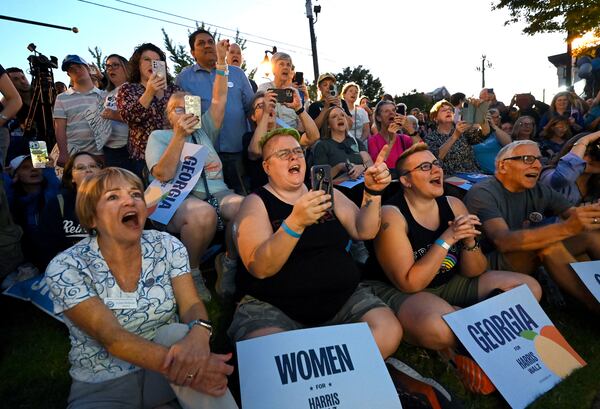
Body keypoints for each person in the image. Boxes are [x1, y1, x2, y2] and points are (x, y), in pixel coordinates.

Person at [45, 168, 238, 409]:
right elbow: (112, 338)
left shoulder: (166, 245)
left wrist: (199, 337)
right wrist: (192, 365)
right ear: (91, 217)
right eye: (113, 197)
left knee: (177, 333)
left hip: (171, 367)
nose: (130, 200)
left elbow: (191, 303)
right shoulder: (67, 266)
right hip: (104, 379)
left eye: (136, 194)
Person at [368, 143, 541, 394]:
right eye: (425, 167)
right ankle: (466, 332)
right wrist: (447, 238)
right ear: (405, 180)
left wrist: (470, 242)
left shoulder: (453, 203)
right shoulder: (392, 214)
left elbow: (474, 271)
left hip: (450, 282)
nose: (435, 170)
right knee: (439, 328)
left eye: (436, 164)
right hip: (408, 292)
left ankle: (464, 328)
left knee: (529, 289)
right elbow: (410, 283)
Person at [229, 128, 403, 359]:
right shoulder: (256, 202)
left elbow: (364, 230)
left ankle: (326, 369)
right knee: (266, 353)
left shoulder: (325, 192)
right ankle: (340, 362)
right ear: (267, 167)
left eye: (297, 151)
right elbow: (259, 267)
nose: (293, 157)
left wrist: (372, 191)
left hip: (341, 297)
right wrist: (295, 223)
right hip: (275, 305)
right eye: (283, 153)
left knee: (388, 332)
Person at [146, 40, 243, 301]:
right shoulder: (160, 137)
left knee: (246, 207)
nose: (186, 111)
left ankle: (229, 263)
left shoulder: (205, 130)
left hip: (218, 192)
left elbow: (219, 98)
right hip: (179, 201)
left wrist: (221, 64)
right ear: (168, 115)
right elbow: (163, 175)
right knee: (203, 214)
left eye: (190, 106)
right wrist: (179, 136)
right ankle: (191, 272)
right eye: (178, 108)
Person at [465, 140, 600, 313]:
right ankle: (593, 304)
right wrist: (567, 228)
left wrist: (594, 215)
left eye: (538, 159)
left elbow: (575, 216)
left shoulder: (539, 190)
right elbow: (502, 241)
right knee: (547, 243)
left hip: (520, 255)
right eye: (528, 159)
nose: (537, 165)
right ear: (503, 166)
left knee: (592, 235)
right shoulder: (483, 192)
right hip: (485, 264)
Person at [177, 30, 254, 194]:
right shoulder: (183, 79)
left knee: (243, 198)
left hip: (238, 153)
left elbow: (251, 108)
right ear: (192, 53)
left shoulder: (237, 73)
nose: (207, 45)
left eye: (210, 42)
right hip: (205, 154)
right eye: (201, 43)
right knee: (212, 202)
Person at [117, 43, 179, 177]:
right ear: (137, 64)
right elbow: (129, 117)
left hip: (174, 153)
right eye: (147, 60)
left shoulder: (174, 89)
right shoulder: (128, 89)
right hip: (143, 159)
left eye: (156, 61)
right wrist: (150, 92)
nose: (152, 64)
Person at [36, 152, 102, 267]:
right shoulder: (58, 204)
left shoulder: (116, 202)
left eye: (93, 166)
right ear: (71, 177)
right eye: (81, 167)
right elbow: (45, 246)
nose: (88, 170)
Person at [244, 91, 319, 191]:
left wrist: (299, 108)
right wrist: (266, 113)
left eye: (271, 105)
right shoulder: (249, 138)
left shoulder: (287, 134)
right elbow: (256, 151)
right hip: (269, 196)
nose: (268, 107)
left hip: (302, 191)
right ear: (253, 116)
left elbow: (313, 137)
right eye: (261, 105)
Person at [3, 154, 60, 269]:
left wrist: (49, 171)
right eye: (25, 167)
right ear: (16, 175)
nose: (33, 169)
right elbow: (4, 202)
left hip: (56, 258)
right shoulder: (14, 202)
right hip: (24, 262)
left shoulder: (51, 195)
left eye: (37, 166)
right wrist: (6, 179)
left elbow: (54, 194)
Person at [53, 55, 107, 167]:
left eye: (79, 66)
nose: (76, 70)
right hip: (73, 156)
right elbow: (60, 128)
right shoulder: (62, 98)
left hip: (99, 156)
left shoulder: (104, 96)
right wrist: (63, 153)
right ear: (68, 74)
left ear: (87, 68)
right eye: (71, 69)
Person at [539, 131, 600, 206]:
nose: (590, 159)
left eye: (595, 155)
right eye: (585, 153)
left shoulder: (596, 184)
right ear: (570, 152)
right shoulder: (548, 173)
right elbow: (564, 177)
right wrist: (584, 141)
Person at [424, 100, 478, 175]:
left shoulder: (463, 131)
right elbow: (435, 158)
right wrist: (455, 136)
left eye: (450, 110)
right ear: (435, 118)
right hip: (450, 179)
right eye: (443, 110)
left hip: (473, 174)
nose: (448, 111)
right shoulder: (430, 138)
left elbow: (483, 135)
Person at [99, 54, 132, 171]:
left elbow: (140, 116)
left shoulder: (133, 89)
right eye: (108, 66)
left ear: (126, 68)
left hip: (127, 150)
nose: (111, 68)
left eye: (115, 65)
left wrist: (114, 115)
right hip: (109, 149)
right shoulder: (108, 93)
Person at [368, 100, 414, 170]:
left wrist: (410, 129)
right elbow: (377, 166)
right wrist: (391, 141)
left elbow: (423, 151)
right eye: (386, 111)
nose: (391, 113)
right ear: (378, 118)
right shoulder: (373, 141)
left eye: (393, 110)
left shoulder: (404, 138)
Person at [473, 108, 512, 173]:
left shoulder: (499, 133)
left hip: (498, 174)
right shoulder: (475, 133)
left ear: (499, 119)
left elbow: (509, 144)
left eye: (496, 117)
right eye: (490, 116)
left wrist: (493, 125)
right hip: (477, 173)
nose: (492, 119)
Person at [0, 64, 22, 166]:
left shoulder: (38, 99)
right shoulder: (4, 104)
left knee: (40, 167)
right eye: (15, 79)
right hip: (14, 147)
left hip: (36, 142)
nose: (22, 81)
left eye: (23, 77)